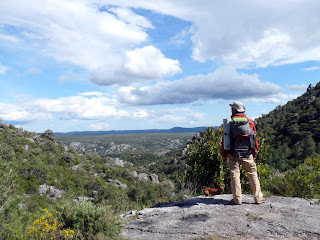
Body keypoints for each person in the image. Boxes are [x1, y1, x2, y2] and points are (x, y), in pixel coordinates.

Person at [221, 101, 266, 205]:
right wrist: (255, 151)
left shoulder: (229, 124)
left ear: (234, 110)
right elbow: (254, 138)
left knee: (235, 175)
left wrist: (224, 155)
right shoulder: (250, 122)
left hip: (233, 154)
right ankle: (258, 198)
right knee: (252, 173)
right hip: (248, 153)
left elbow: (224, 140)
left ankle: (237, 199)